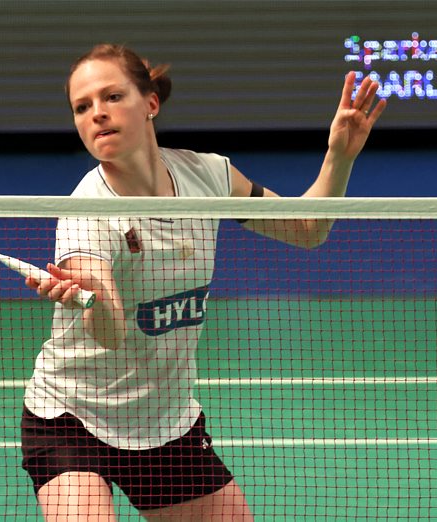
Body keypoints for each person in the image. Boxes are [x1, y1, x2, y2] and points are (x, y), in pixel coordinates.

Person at [21, 43, 387, 521]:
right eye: (82, 107)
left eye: (112, 97)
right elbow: (109, 333)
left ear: (150, 102)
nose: (97, 114)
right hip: (72, 421)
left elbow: (306, 228)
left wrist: (338, 156)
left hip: (164, 423)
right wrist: (91, 302)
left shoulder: (208, 175)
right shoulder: (86, 213)